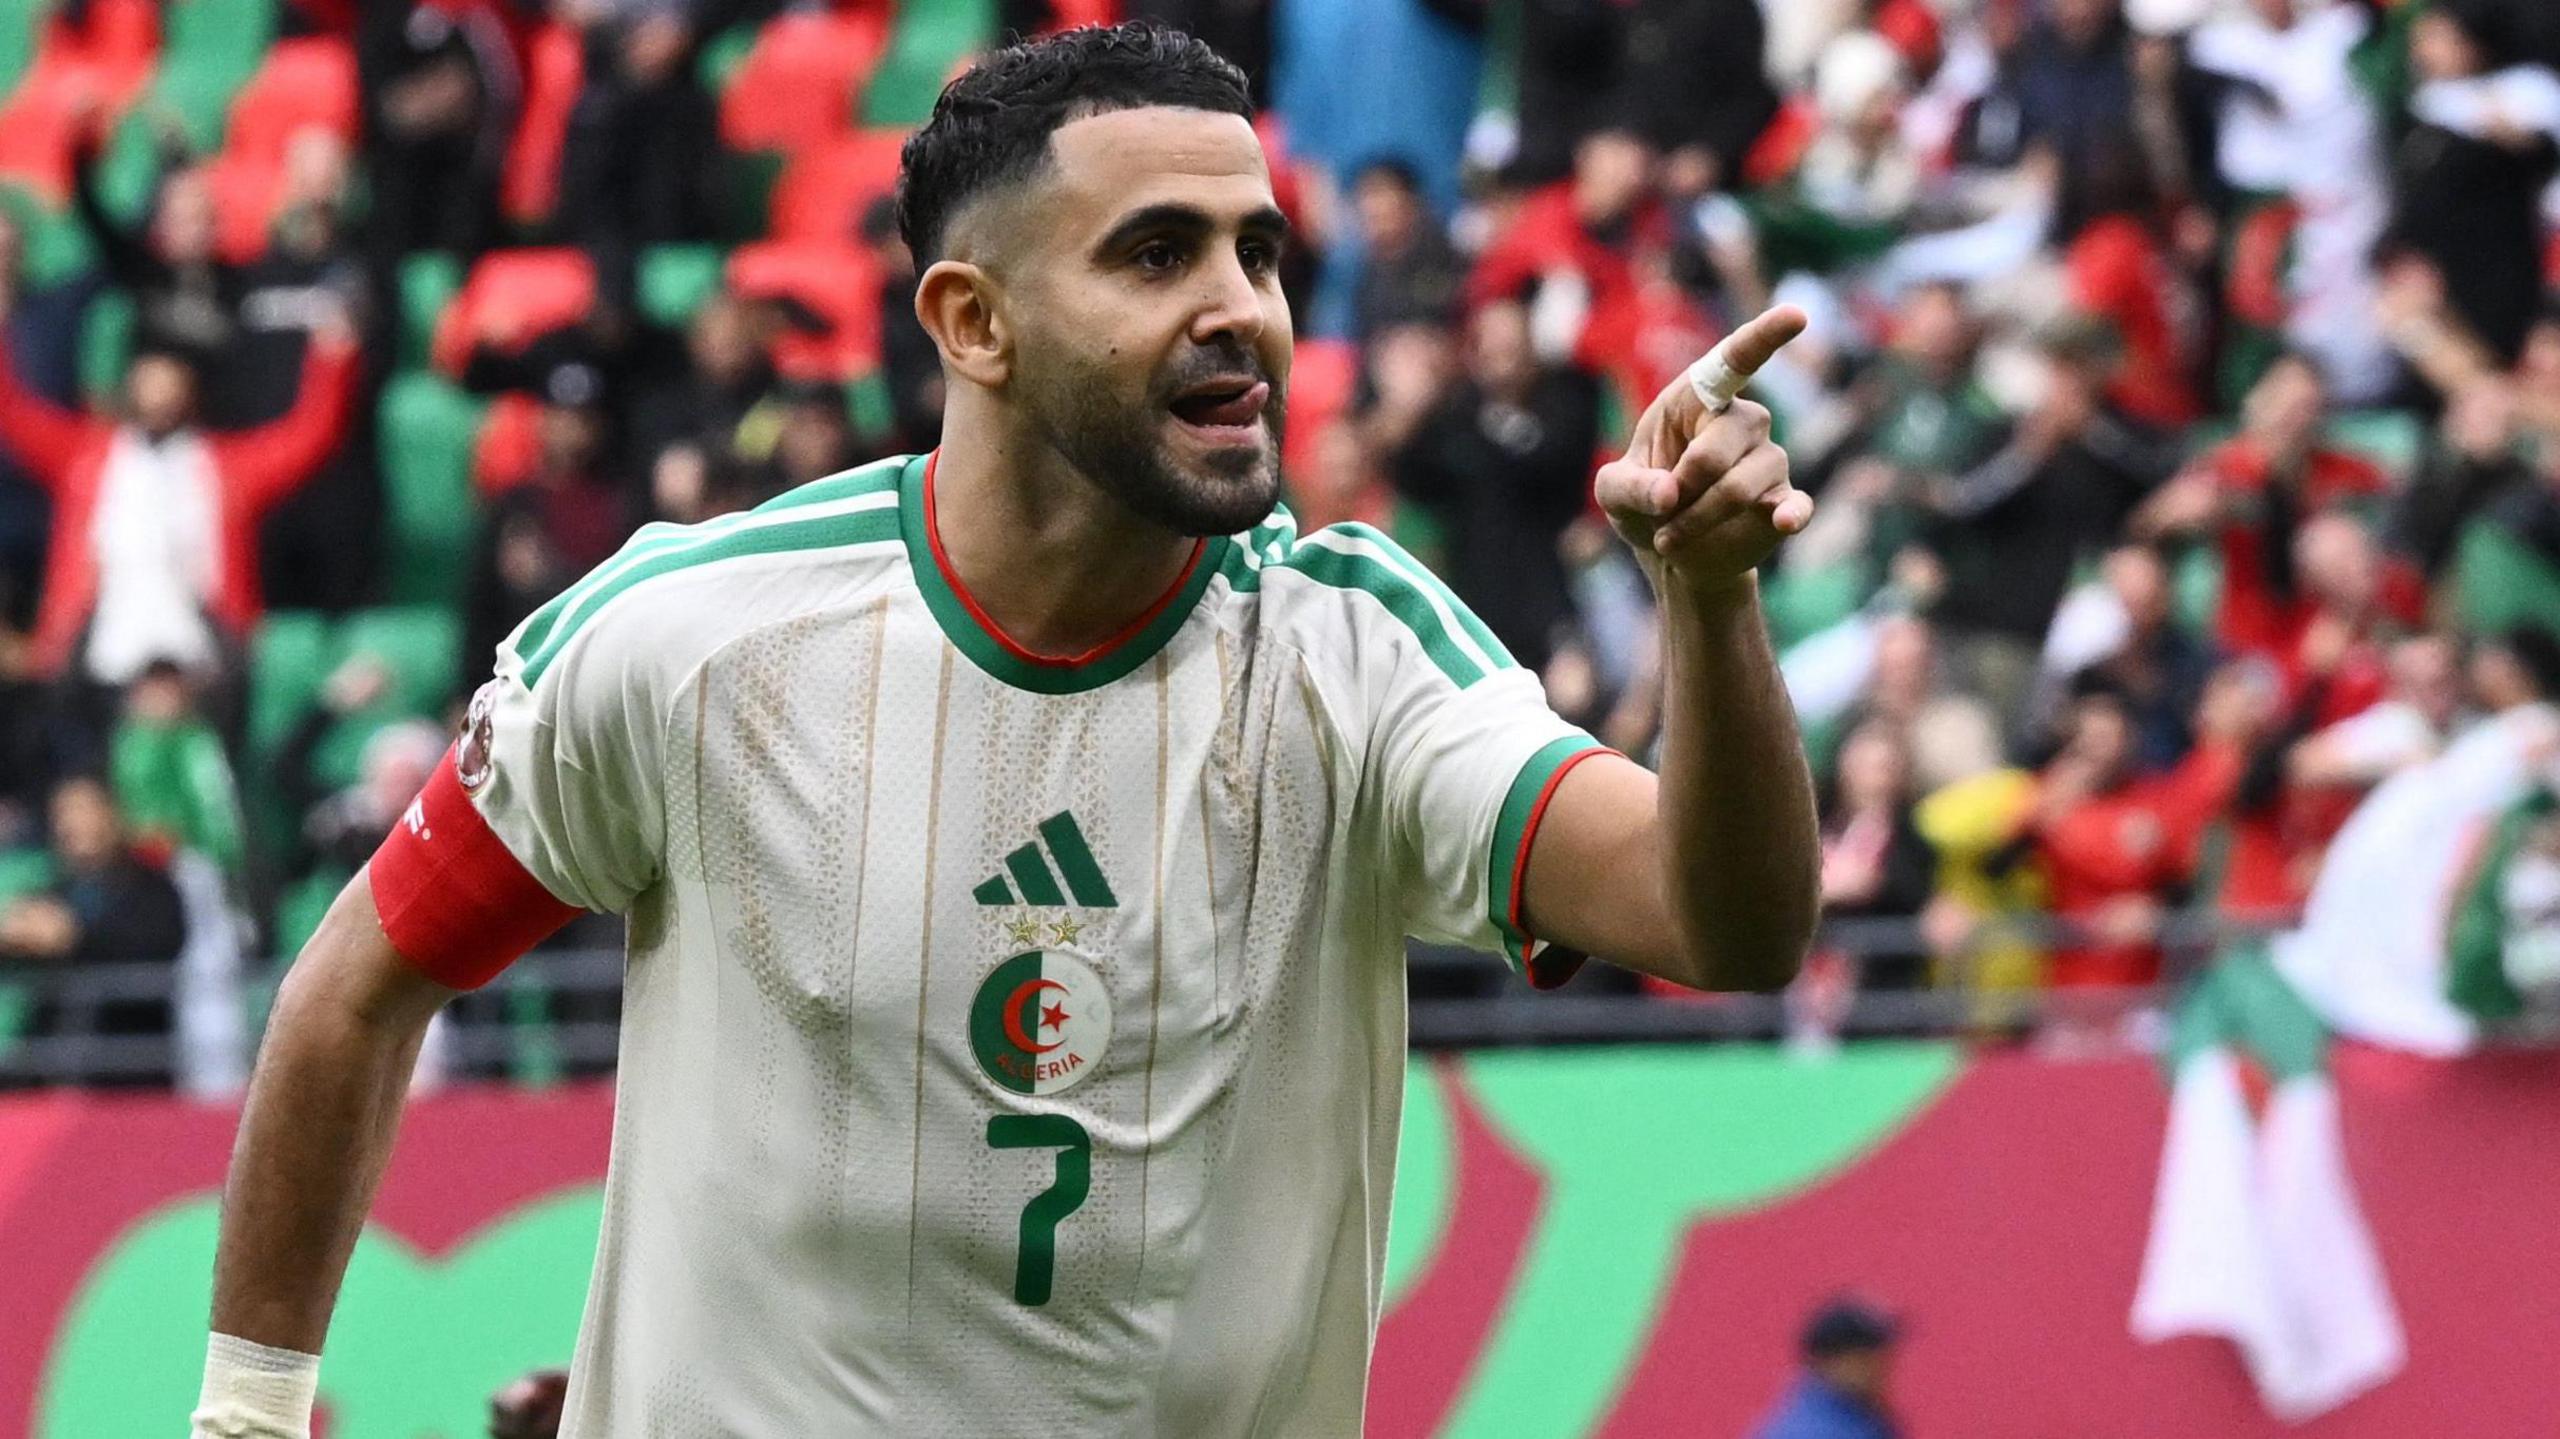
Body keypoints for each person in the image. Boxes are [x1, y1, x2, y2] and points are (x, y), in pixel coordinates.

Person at [196, 24, 1823, 1438]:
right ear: (972, 322)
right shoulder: (692, 640)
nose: (1242, 307)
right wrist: (248, 1411)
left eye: (1258, 252)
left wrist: (1709, 603)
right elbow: (359, 980)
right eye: (1155, 252)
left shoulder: (1354, 652)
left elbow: (1724, 922)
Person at [0, 300, 358, 707]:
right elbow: (13, 413)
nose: (159, 393)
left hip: (198, 655)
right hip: (99, 651)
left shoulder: (225, 468)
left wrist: (332, 358)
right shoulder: (84, 457)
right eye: (149, 380)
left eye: (170, 382)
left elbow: (310, 437)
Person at [1747, 1295, 1906, 1439]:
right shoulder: (1810, 1431)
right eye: (1864, 1358)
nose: (1880, 1367)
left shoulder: (1862, 1417)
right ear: (1829, 1362)